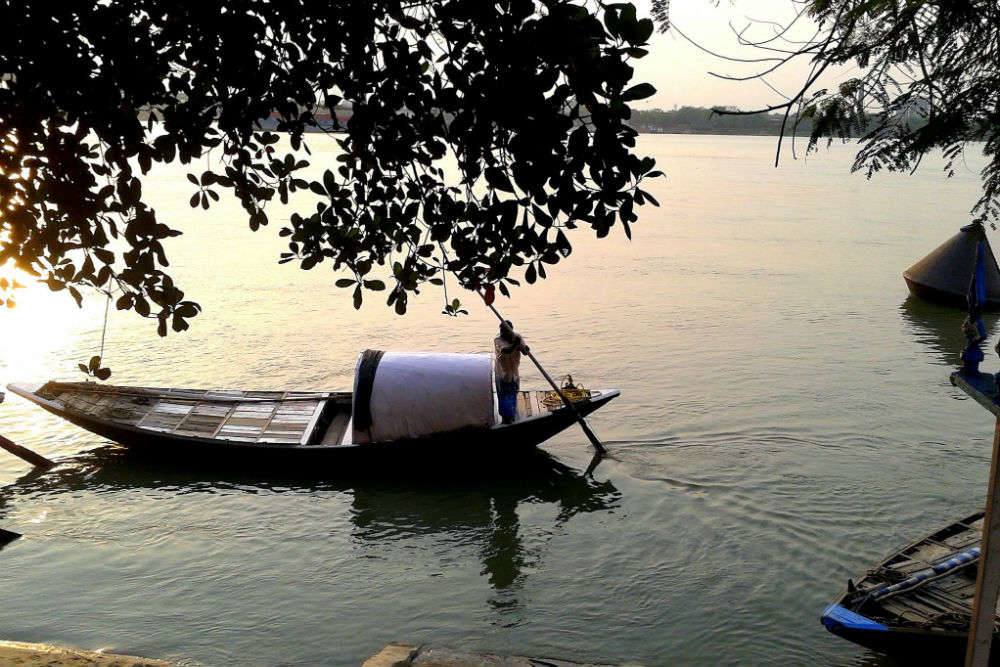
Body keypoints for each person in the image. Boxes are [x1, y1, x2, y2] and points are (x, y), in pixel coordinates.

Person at [494, 320, 528, 424]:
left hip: (514, 373)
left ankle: (511, 416)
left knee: (512, 394)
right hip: (502, 374)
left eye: (505, 331)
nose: (503, 333)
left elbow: (525, 352)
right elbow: (505, 351)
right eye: (502, 331)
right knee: (503, 396)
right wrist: (515, 344)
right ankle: (505, 419)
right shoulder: (498, 340)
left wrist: (525, 348)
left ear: (511, 331)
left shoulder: (517, 337)